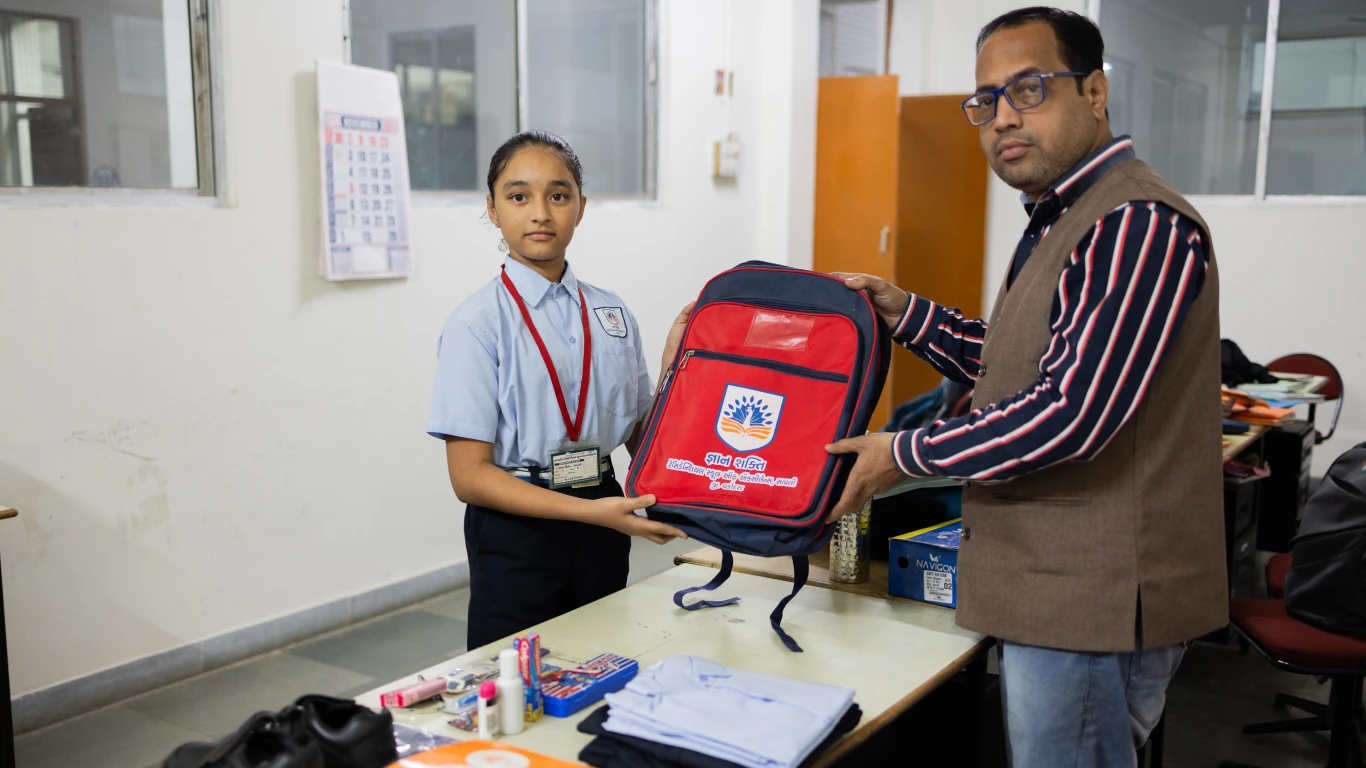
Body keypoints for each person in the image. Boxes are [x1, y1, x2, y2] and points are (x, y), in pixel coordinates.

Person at [824, 8, 1226, 767]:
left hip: (1092, 595)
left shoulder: (1133, 222)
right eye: (986, 100)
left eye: (1030, 88)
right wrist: (907, 313)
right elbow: (1024, 364)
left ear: (1096, 90)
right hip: (1057, 585)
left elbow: (1070, 412)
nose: (1003, 116)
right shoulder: (1061, 216)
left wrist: (900, 454)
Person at [428, 130, 689, 650]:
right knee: (517, 675)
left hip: (604, 511)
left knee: (599, 659)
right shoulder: (477, 323)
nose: (540, 213)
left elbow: (641, 429)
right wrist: (597, 514)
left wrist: (673, 371)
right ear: (493, 208)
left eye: (559, 195)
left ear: (581, 207)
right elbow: (469, 477)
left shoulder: (610, 312)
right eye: (518, 196)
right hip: (517, 527)